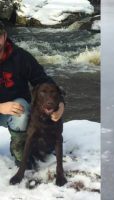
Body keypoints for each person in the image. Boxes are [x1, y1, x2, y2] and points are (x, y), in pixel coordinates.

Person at [0, 21, 65, 165]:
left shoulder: (21, 58)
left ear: (4, 36)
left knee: (22, 110)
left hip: (15, 111)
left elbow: (44, 81)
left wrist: (60, 105)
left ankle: (19, 150)